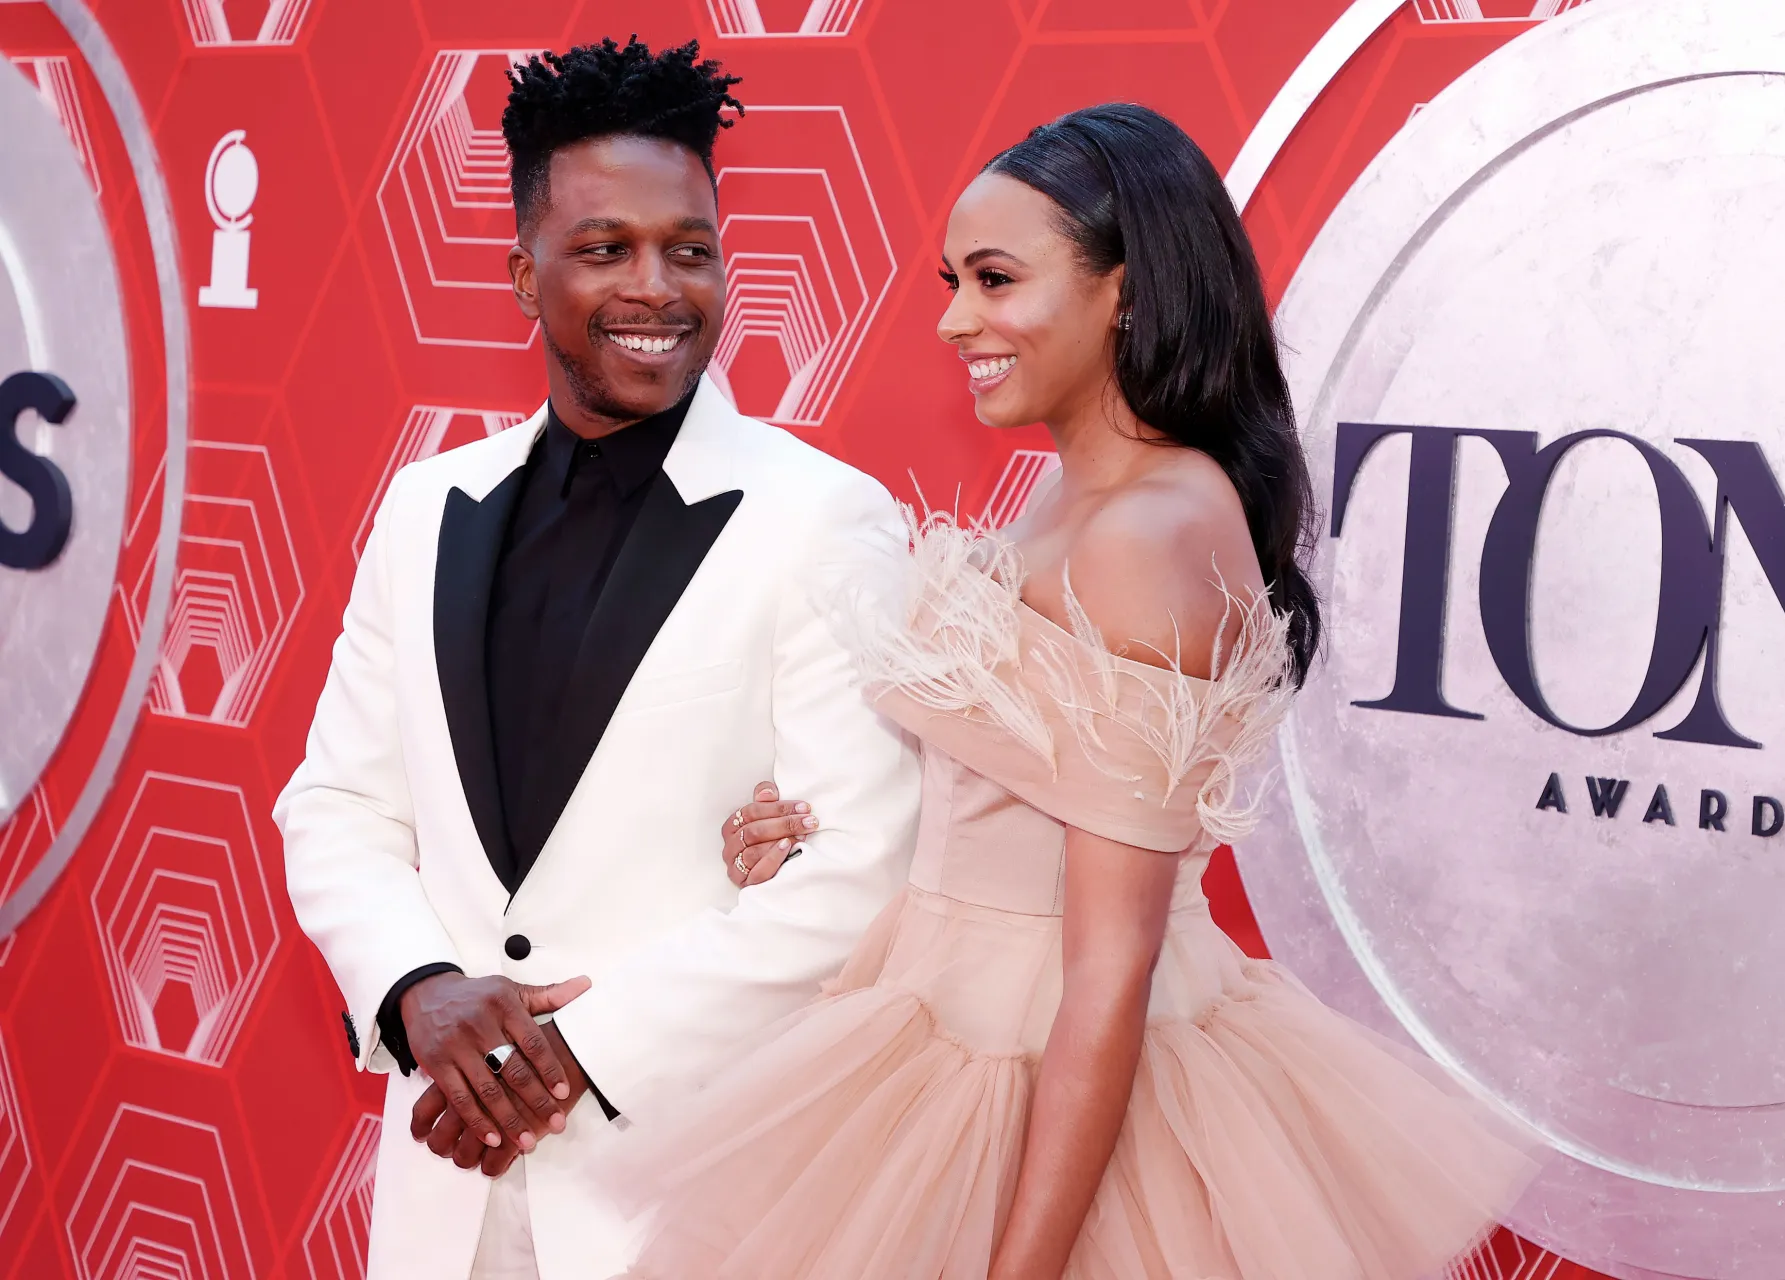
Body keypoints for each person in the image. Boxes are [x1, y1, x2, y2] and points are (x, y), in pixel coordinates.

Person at [617, 104, 1539, 1280]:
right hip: (944, 1021)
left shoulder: (1145, 528)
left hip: (1038, 1063)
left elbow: (1111, 970)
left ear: (1126, 292)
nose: (955, 319)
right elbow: (1016, 792)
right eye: (954, 280)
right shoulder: (1082, 494)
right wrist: (822, 833)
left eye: (996, 279)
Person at [273, 38, 921, 1280]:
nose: (657, 289)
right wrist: (417, 987)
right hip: (443, 1195)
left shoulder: (823, 515)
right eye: (606, 248)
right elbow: (340, 802)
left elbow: (861, 870)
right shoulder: (426, 508)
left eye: (690, 249)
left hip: (684, 1191)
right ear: (526, 274)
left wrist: (573, 1051)